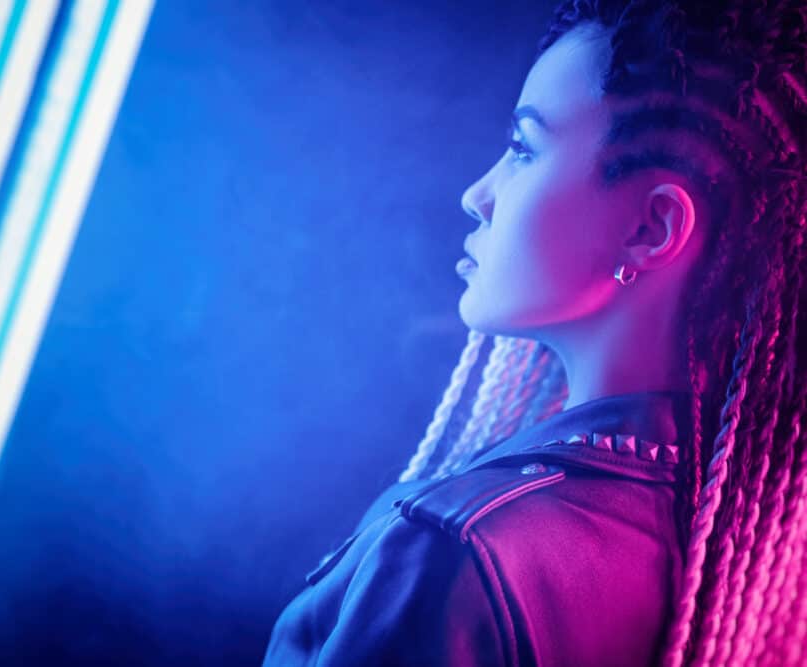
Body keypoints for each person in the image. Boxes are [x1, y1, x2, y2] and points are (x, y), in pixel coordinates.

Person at [262, 0, 807, 665]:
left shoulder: (457, 554)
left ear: (651, 229)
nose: (478, 192)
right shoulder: (763, 562)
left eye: (523, 148)